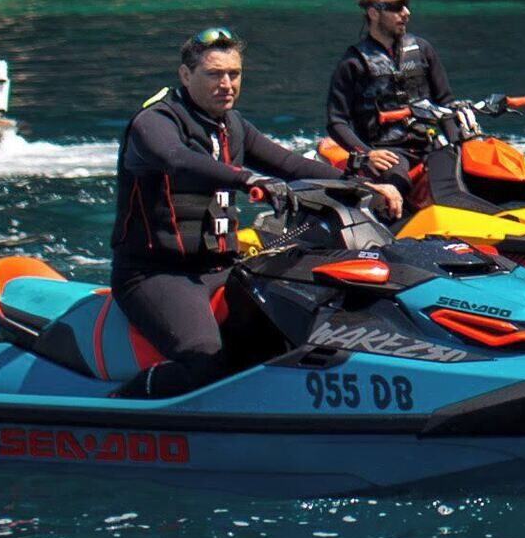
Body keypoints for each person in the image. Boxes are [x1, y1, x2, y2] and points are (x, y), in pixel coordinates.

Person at [110, 26, 400, 399]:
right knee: (206, 363)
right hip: (156, 273)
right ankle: (121, 403)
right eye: (214, 74)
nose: (227, 84)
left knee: (289, 336)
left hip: (221, 267)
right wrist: (247, 180)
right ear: (185, 75)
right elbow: (178, 160)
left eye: (234, 74)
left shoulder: (233, 125)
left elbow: (290, 165)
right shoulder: (155, 122)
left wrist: (361, 186)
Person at [321, 0, 451, 190]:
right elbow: (336, 121)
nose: (406, 13)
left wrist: (460, 143)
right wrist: (367, 153)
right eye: (397, 7)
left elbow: (445, 101)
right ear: (374, 13)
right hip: (387, 152)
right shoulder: (353, 63)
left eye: (406, 5)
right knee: (396, 184)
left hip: (428, 144)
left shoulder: (422, 49)